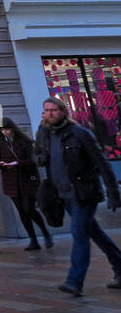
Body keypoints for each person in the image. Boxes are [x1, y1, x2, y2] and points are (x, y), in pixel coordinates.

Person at [36, 96, 121, 297]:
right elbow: (38, 156)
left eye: (54, 110)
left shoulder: (80, 134)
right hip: (62, 195)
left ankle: (74, 281)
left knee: (79, 234)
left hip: (84, 194)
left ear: (63, 111)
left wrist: (113, 193)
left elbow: (103, 164)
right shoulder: (45, 134)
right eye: (46, 110)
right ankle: (119, 265)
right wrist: (40, 158)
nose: (50, 114)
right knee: (94, 232)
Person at [0, 119, 52, 251]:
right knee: (21, 211)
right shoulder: (0, 143)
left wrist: (17, 164)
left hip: (26, 178)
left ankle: (45, 233)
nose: (5, 132)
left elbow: (32, 159)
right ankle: (33, 240)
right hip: (10, 179)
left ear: (13, 129)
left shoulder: (24, 142)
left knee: (29, 208)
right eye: (2, 130)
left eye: (7, 129)